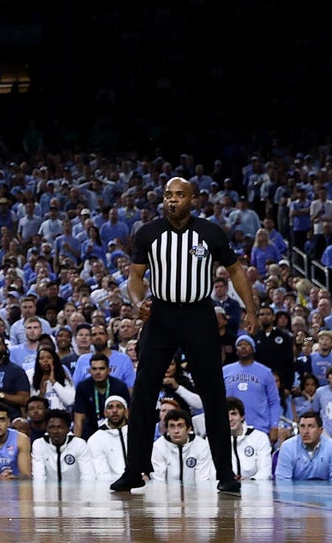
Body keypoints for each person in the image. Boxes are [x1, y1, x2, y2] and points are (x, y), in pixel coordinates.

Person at [111, 177, 258, 495]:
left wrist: (251, 309)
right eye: (167, 195)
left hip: (199, 314)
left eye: (179, 195)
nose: (172, 200)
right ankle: (135, 470)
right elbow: (135, 277)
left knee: (213, 393)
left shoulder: (210, 232)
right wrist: (138, 304)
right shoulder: (148, 232)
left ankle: (225, 474)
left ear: (193, 199)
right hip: (161, 315)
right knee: (144, 393)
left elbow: (235, 270)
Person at [222, 333, 282, 438]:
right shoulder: (225, 371)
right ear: (236, 350)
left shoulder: (266, 372)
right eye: (240, 345)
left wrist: (274, 426)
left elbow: (274, 402)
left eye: (247, 344)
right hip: (231, 427)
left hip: (259, 428)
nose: (243, 347)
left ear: (253, 349)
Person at [71, 353, 131, 440]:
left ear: (109, 370)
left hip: (115, 432)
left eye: (101, 368)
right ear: (90, 371)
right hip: (90, 432)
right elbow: (78, 418)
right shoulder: (83, 387)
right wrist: (77, 443)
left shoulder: (119, 386)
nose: (98, 372)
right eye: (94, 369)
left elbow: (126, 414)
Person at [149, 408, 216, 484]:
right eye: (172, 426)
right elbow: (158, 480)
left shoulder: (201, 445)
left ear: (188, 429)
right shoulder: (158, 447)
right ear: (167, 429)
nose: (176, 431)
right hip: (166, 494)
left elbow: (202, 481)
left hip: (194, 494)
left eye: (180, 426)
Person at [30, 409, 93, 484]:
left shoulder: (79, 444)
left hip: (76, 493)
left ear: (68, 429)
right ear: (46, 428)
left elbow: (88, 475)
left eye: (60, 427)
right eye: (52, 427)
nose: (55, 431)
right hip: (48, 493)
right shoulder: (39, 444)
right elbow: (39, 476)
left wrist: (85, 494)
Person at [274, 411, 332, 481]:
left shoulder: (330, 446)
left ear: (320, 430)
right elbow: (283, 481)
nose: (306, 431)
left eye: (311, 426)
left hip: (325, 491)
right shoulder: (288, 447)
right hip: (294, 491)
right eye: (302, 426)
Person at [225, 397, 273, 481]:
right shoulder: (215, 441)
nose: (230, 419)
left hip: (254, 490)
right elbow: (212, 475)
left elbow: (265, 472)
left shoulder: (259, 438)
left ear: (242, 416)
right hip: (225, 489)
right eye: (225, 415)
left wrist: (249, 482)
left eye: (233, 414)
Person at [86, 395, 131, 480]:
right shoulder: (96, 439)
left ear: (126, 412)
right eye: (110, 407)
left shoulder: (137, 434)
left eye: (119, 407)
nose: (114, 410)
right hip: (110, 488)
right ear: (105, 412)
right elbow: (101, 473)